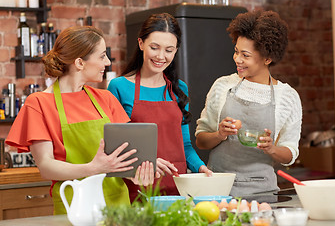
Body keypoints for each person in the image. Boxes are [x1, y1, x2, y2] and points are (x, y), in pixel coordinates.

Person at [5, 26, 154, 214]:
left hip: (118, 207)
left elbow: (124, 156)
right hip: (74, 208)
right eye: (101, 56)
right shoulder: (39, 103)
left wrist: (139, 170)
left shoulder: (105, 99)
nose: (107, 62)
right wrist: (93, 168)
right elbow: (46, 166)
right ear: (79, 63)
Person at [195, 10, 302, 196]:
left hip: (263, 192)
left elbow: (290, 154)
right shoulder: (223, 86)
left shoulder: (287, 97)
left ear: (267, 58)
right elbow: (201, 140)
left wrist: (272, 149)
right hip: (219, 189)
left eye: (245, 55)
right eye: (236, 51)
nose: (237, 59)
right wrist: (219, 134)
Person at [108, 13, 212, 201]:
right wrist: (146, 161)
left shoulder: (179, 88)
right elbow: (116, 149)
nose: (161, 56)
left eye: (169, 50)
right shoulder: (119, 87)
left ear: (176, 50)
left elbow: (185, 145)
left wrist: (200, 167)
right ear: (141, 44)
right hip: (136, 188)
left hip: (177, 189)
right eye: (154, 48)